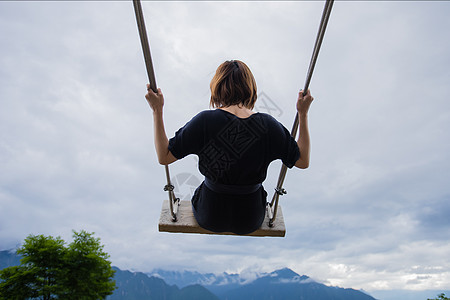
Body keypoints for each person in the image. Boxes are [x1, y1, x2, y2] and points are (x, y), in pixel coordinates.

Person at [145, 60, 314, 235]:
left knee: (202, 189)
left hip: (210, 215)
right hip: (250, 218)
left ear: (217, 88)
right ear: (251, 89)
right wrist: (303, 113)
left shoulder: (204, 121)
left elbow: (164, 157)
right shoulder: (268, 125)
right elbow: (302, 161)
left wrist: (157, 110)